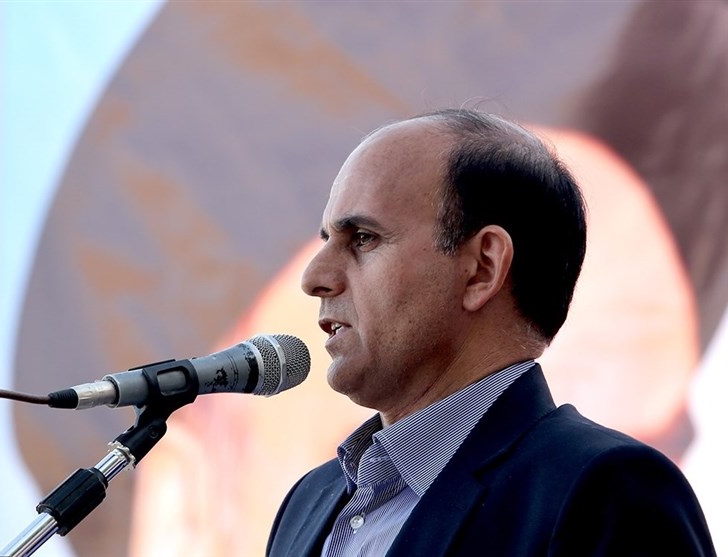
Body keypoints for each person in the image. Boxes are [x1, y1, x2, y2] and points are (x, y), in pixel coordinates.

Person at [265, 108, 715, 556]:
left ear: (482, 268)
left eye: (363, 238)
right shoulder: (307, 502)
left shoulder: (606, 491)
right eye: (325, 240)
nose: (314, 278)